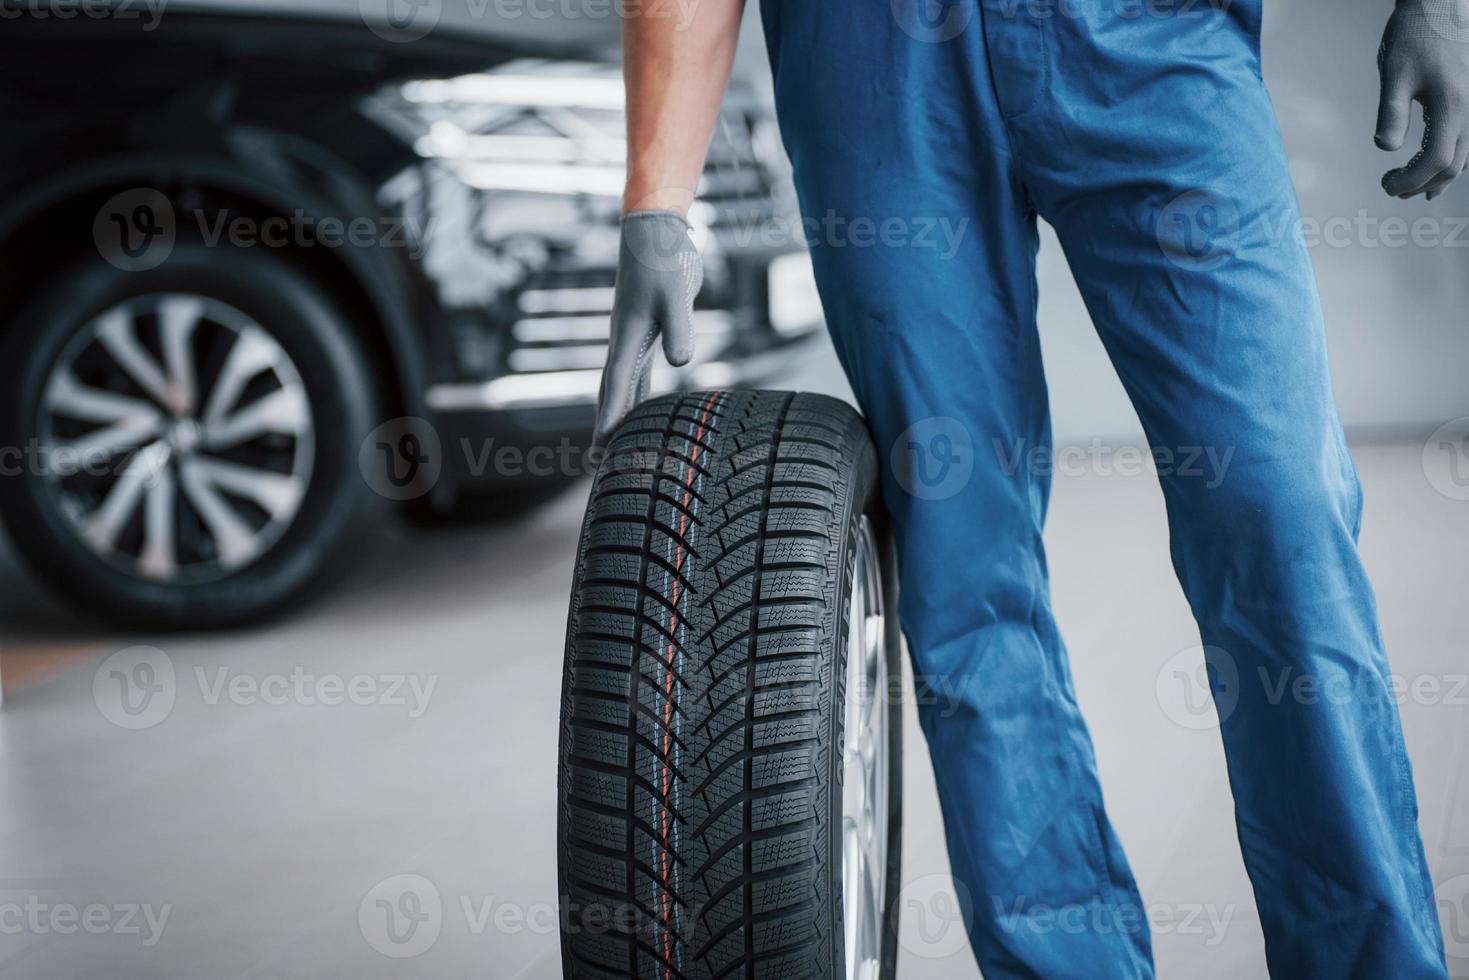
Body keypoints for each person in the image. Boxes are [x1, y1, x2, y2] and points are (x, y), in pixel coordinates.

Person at [593, 0, 1466, 974]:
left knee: (1278, 509)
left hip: (1148, 35)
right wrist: (656, 196)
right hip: (871, 55)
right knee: (962, 568)